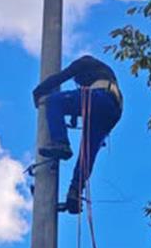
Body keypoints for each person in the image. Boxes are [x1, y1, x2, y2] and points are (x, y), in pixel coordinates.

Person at [32, 54, 123, 214]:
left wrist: (39, 91)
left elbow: (62, 77)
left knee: (54, 101)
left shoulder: (84, 62)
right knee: (87, 153)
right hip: (112, 110)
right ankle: (75, 192)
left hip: (99, 98)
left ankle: (61, 143)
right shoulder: (102, 72)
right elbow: (79, 103)